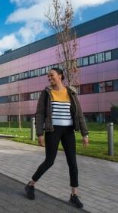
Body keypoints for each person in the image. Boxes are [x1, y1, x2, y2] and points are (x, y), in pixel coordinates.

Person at [24, 67, 89, 209]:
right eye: (48, 76)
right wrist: (40, 134)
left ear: (60, 76)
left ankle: (74, 195)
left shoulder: (70, 93)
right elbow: (40, 113)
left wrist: (85, 134)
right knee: (49, 161)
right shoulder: (46, 93)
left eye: (51, 75)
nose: (49, 78)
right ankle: (31, 184)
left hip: (68, 131)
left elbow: (79, 114)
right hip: (52, 131)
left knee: (73, 162)